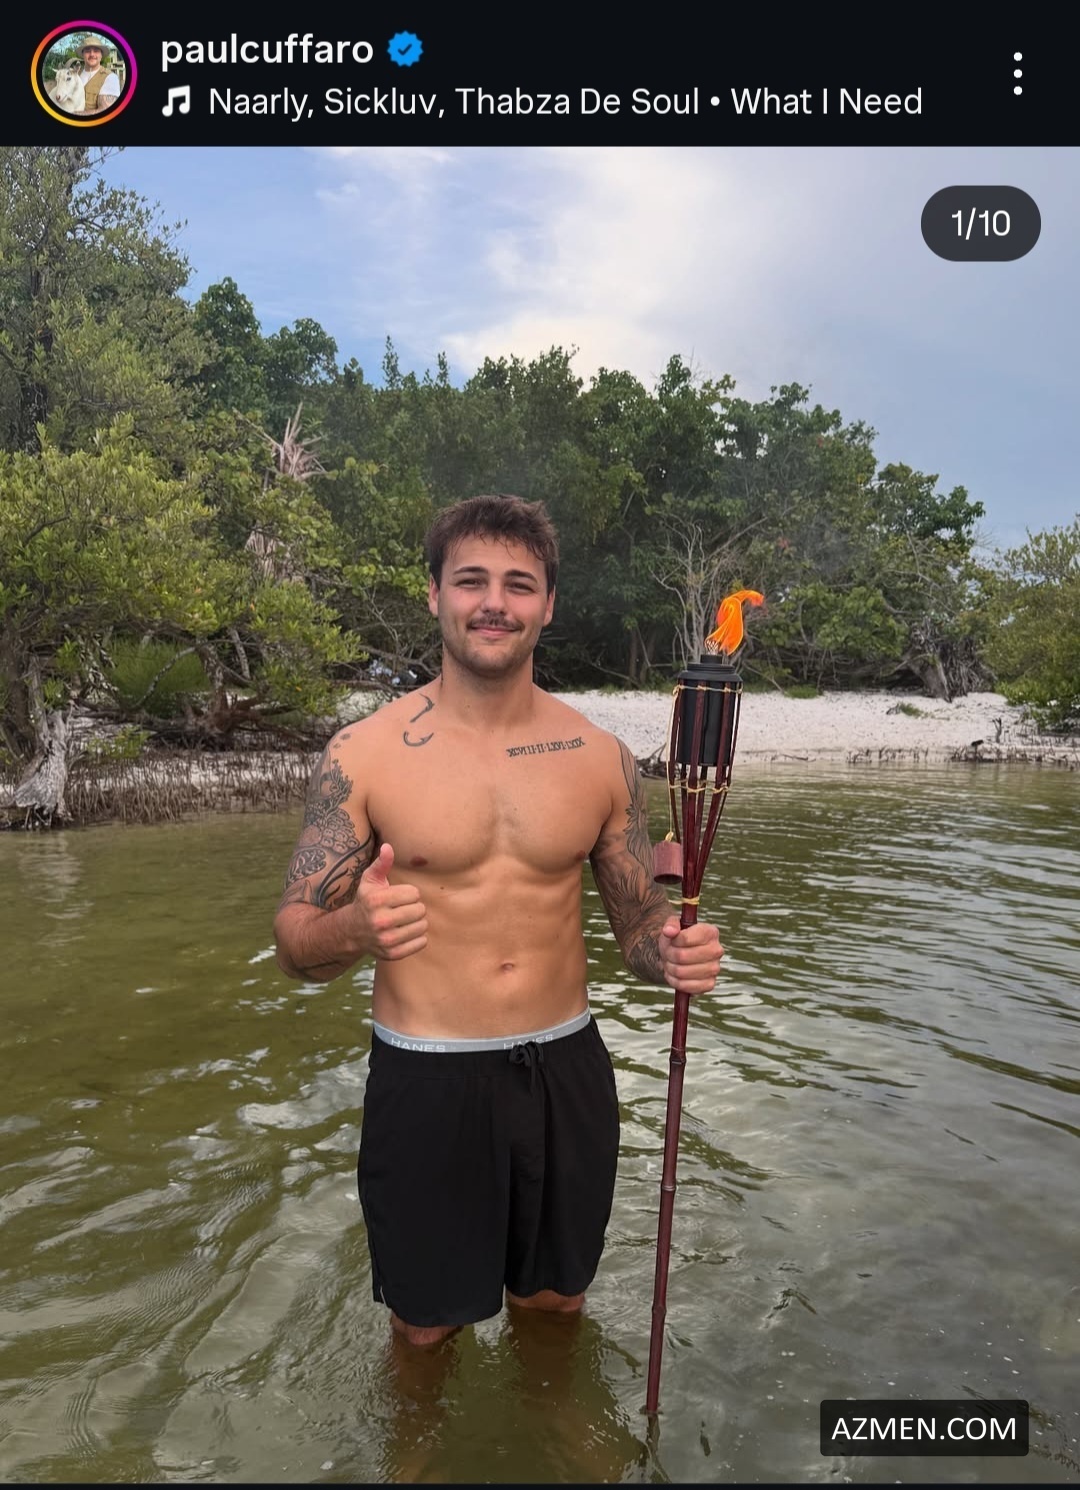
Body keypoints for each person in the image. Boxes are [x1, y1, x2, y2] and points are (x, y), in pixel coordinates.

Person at [273, 494, 724, 1349]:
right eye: (471, 580)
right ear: (434, 594)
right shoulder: (362, 754)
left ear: (548, 605)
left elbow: (638, 922)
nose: (494, 603)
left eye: (519, 585)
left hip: (565, 1070)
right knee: (424, 1332)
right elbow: (295, 942)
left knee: (556, 1309)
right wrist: (353, 932)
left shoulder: (601, 758)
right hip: (426, 1078)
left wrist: (670, 955)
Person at [75, 38, 120, 112]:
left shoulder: (110, 77)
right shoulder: (75, 75)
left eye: (96, 51)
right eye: (87, 51)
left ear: (101, 55)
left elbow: (105, 111)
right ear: (83, 54)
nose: (92, 54)